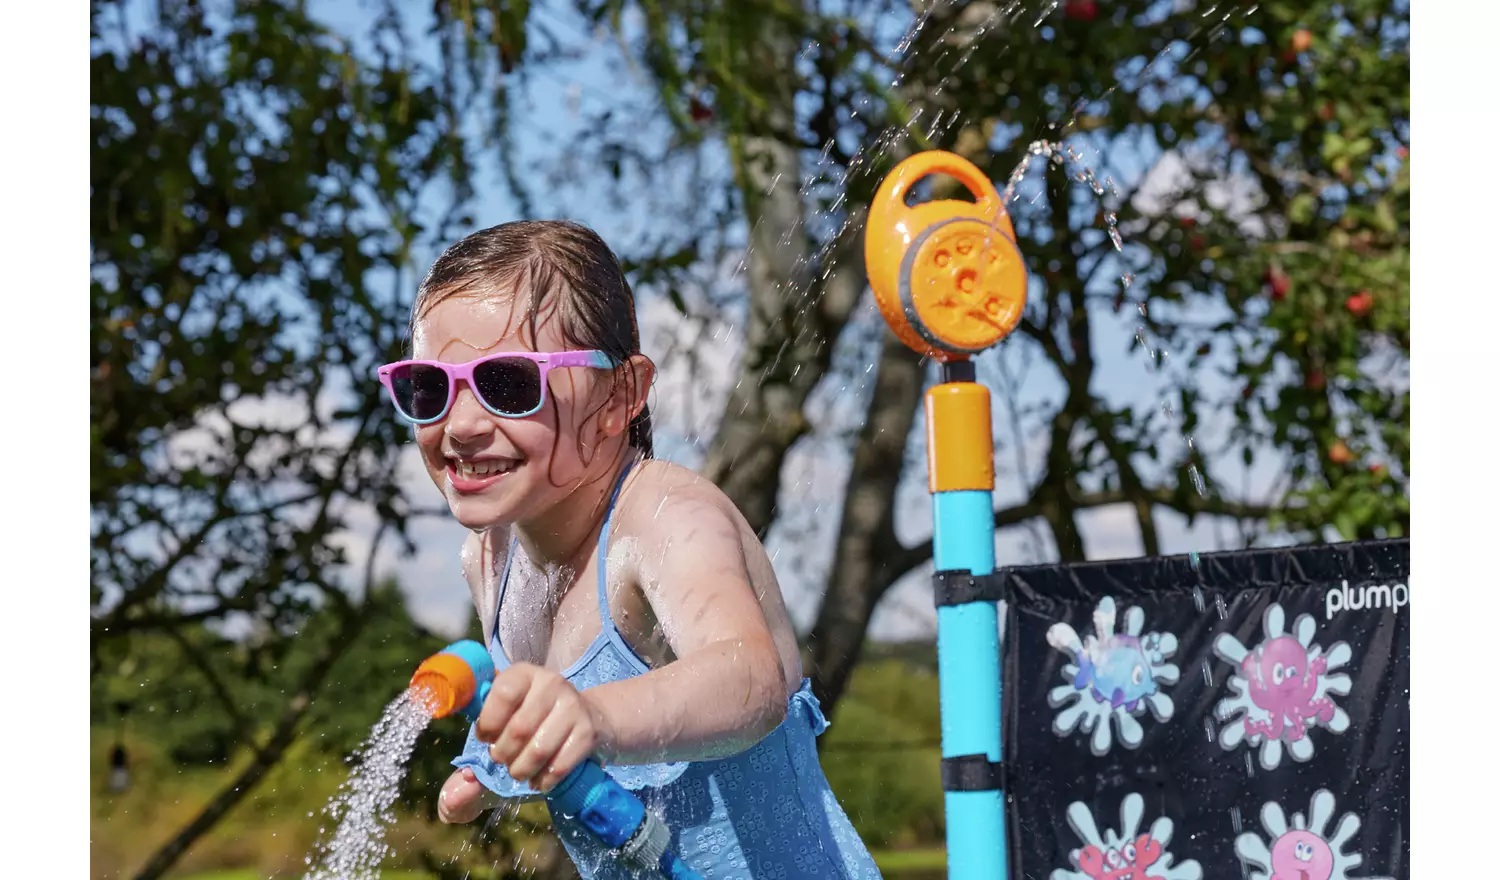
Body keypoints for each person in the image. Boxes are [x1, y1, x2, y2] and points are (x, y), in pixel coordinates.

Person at [378, 220, 881, 879]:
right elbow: (537, 711)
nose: (463, 424)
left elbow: (749, 678)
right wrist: (491, 756)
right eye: (429, 387)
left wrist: (591, 716)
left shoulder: (667, 519)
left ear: (621, 394)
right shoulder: (490, 557)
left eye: (508, 384)